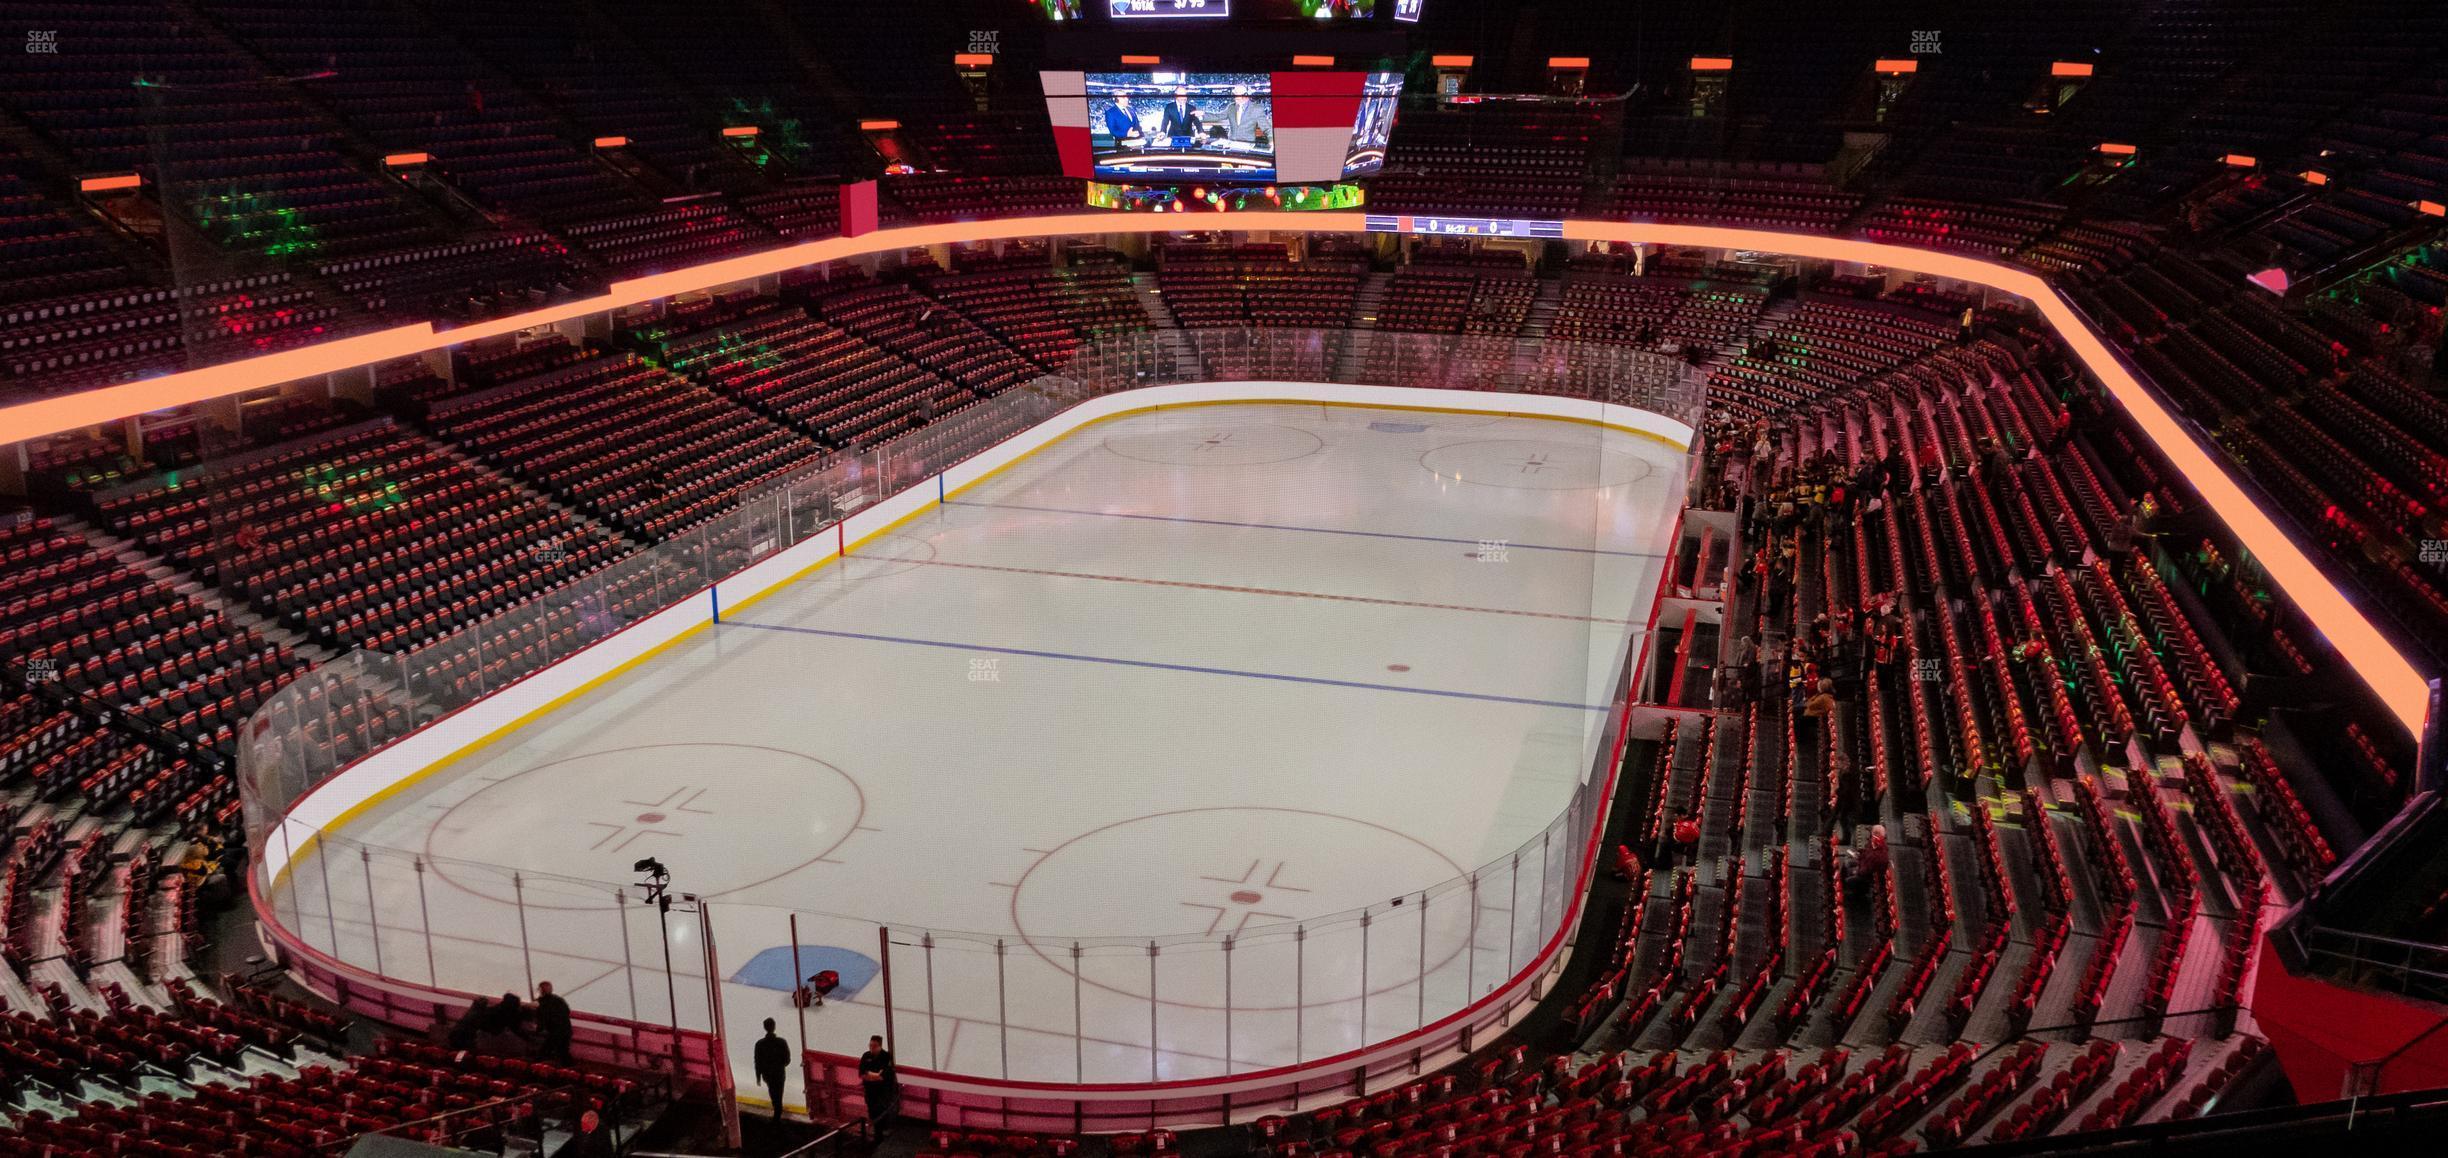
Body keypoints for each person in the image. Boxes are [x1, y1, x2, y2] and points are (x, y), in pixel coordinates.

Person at [858, 1034, 897, 1137]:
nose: (871, 1048)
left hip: (882, 1092)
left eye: (874, 1046)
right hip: (870, 1092)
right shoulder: (866, 1056)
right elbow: (862, 1074)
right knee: (872, 1112)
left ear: (880, 1046)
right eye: (870, 1045)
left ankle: (884, 1132)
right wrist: (874, 1075)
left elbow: (883, 1076)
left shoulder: (885, 1056)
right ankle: (876, 1132)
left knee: (882, 1113)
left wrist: (869, 1074)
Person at [754, 1019, 792, 1120]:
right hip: (779, 1073)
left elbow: (757, 1061)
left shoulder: (759, 1044)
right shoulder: (782, 1042)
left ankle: (777, 1110)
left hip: (768, 1074)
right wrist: (780, 1065)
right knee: (779, 1092)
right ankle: (778, 1111)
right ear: (774, 1027)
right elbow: (787, 1059)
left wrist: (758, 1076)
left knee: (772, 1091)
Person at [534, 981, 572, 1062]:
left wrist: (538, 1029)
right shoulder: (560, 1000)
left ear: (540, 990)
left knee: (544, 1052)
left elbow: (543, 1018)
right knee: (563, 1052)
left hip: (555, 1032)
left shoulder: (541, 1002)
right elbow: (567, 1012)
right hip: (566, 1030)